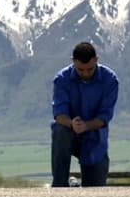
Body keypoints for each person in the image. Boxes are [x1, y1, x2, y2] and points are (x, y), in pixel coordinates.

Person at [50, 41, 119, 187]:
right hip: (70, 133)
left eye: (90, 69)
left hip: (95, 138)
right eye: (81, 70)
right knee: (60, 131)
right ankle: (59, 185)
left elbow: (105, 116)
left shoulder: (110, 80)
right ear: (73, 61)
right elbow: (59, 114)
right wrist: (72, 124)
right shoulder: (62, 79)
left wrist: (86, 126)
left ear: (96, 60)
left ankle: (75, 184)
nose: (86, 74)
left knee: (95, 192)